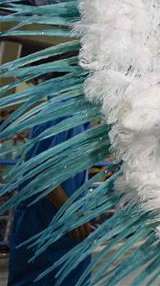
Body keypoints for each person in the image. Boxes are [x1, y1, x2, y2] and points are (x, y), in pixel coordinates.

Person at [7, 114, 93, 285]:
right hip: (47, 229)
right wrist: (69, 212)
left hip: (64, 232)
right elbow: (38, 173)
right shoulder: (58, 116)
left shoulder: (80, 120)